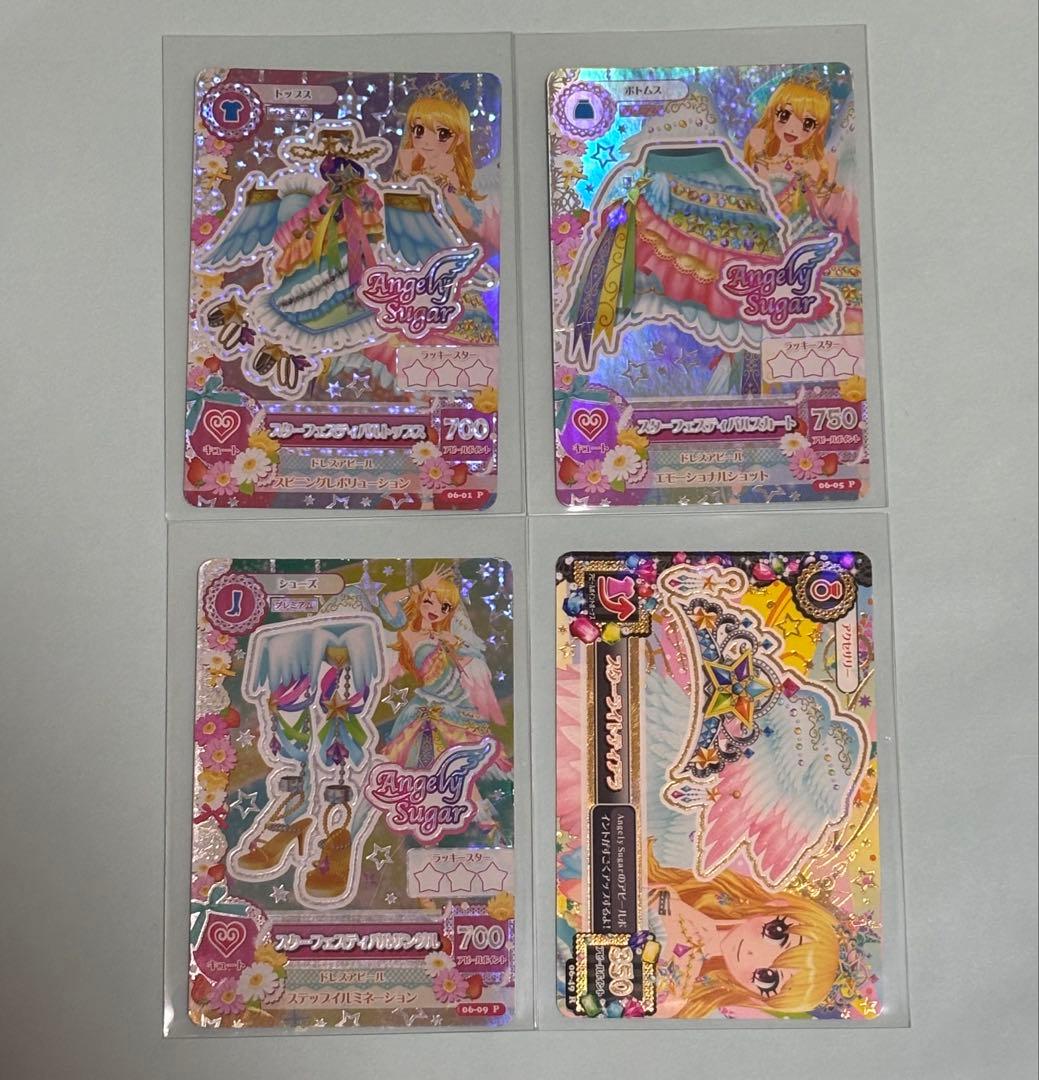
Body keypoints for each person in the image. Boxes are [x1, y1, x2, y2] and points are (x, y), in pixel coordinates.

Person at [647, 842, 841, 1018]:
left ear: (755, 997)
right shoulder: (690, 885)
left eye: (767, 979)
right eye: (776, 933)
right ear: (777, 906)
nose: (752, 953)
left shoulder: (675, 996)